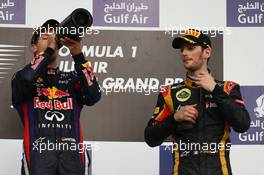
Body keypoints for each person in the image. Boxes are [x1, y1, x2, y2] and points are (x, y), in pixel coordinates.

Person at [144, 29, 250, 175]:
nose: (184, 53)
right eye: (182, 50)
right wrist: (175, 119)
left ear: (207, 53)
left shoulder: (227, 88)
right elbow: (150, 138)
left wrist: (215, 90)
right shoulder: (169, 93)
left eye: (190, 48)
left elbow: (243, 124)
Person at [11, 19, 101, 175]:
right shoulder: (22, 78)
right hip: (38, 160)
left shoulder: (72, 79)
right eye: (45, 38)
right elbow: (26, 79)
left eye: (54, 36)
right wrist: (48, 51)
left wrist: (78, 55)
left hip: (73, 160)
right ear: (33, 47)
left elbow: (94, 95)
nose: (52, 39)